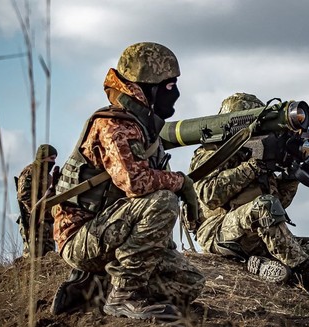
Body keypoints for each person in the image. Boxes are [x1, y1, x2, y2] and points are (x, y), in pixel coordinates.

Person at [49, 42, 205, 321]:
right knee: (163, 200)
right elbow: (138, 184)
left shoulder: (143, 127)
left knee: (190, 283)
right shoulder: (113, 125)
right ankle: (124, 295)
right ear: (147, 87)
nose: (176, 94)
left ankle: (97, 285)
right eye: (169, 87)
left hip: (111, 233)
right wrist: (181, 182)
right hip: (81, 237)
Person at [188, 92, 309, 293]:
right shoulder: (211, 151)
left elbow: (278, 204)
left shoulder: (257, 151)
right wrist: (253, 166)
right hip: (218, 231)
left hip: (254, 236)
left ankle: (264, 266)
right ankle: (305, 273)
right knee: (264, 205)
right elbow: (209, 195)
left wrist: (291, 173)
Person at [16, 143, 58, 258]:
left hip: (47, 222)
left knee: (48, 257)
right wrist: (37, 211)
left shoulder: (48, 176)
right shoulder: (29, 172)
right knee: (33, 258)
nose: (53, 162)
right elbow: (24, 196)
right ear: (43, 157)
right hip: (32, 221)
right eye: (52, 158)